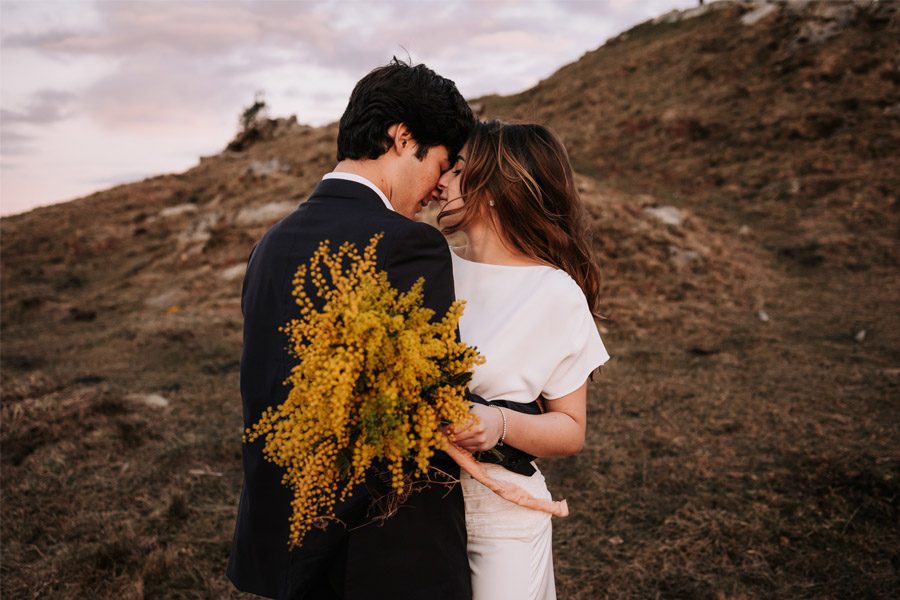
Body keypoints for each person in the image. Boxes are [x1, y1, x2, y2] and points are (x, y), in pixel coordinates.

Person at [227, 58, 480, 599]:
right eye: (442, 163)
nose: (439, 187)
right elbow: (437, 399)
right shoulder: (410, 244)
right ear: (403, 137)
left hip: (284, 542)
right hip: (383, 554)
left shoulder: (269, 244)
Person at [435, 120, 611, 600]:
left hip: (501, 517)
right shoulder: (429, 268)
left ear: (494, 188)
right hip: (417, 513)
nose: (441, 180)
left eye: (459, 169)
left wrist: (498, 423)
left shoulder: (555, 293)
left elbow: (571, 429)